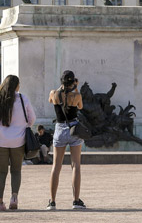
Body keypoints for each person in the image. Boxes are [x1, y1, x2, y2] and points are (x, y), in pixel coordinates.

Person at [0, 75, 36, 212]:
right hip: (19, 140)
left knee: (1, 171)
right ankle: (14, 198)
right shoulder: (23, 98)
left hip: (2, 140)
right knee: (16, 171)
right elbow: (32, 118)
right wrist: (24, 125)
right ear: (17, 86)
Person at [47, 70, 86, 210]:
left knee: (56, 166)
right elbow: (80, 107)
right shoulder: (77, 95)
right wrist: (75, 88)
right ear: (73, 82)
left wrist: (62, 88)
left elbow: (51, 101)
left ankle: (52, 201)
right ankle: (76, 201)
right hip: (73, 129)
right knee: (76, 165)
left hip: (59, 129)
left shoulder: (54, 93)